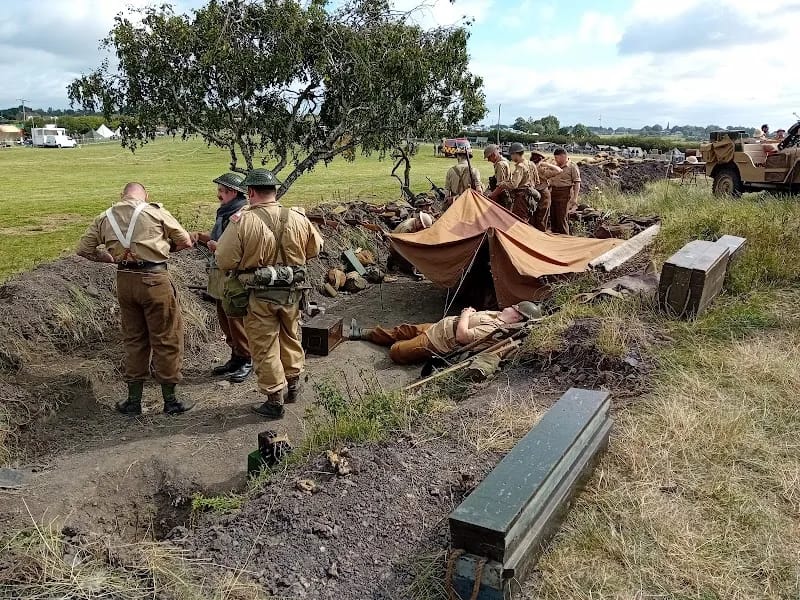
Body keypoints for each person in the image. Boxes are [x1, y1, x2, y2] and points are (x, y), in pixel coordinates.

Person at [76, 182, 194, 415]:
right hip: (154, 279)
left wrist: (108, 258)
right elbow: (185, 241)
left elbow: (83, 249)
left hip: (125, 280)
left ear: (122, 195)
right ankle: (170, 401)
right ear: (145, 195)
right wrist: (164, 248)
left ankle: (133, 401)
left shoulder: (105, 216)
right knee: (166, 337)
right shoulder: (154, 211)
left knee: (134, 339)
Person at [215, 169, 323, 419]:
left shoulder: (243, 221)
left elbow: (224, 259)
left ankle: (274, 399)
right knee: (291, 337)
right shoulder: (297, 217)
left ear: (250, 192)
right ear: (274, 191)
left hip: (259, 295)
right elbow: (315, 248)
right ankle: (293, 386)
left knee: (264, 346)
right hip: (292, 293)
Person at [190, 172, 253, 383]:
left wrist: (218, 248)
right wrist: (200, 237)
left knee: (236, 319)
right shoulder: (225, 212)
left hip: (233, 275)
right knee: (224, 318)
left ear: (233, 192)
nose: (218, 195)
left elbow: (241, 248)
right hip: (219, 273)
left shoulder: (241, 214)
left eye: (221, 191)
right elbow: (218, 239)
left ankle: (247, 359)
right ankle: (235, 356)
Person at [349, 302, 542, 365]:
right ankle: (362, 333)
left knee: (396, 351)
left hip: (438, 341)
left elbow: (463, 337)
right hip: (440, 326)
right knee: (402, 330)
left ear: (517, 318)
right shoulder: (497, 315)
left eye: (515, 308)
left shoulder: (494, 330)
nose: (511, 306)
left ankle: (398, 345)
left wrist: (465, 314)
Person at [502, 142, 541, 222]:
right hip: (531, 196)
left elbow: (514, 185)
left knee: (519, 221)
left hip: (521, 198)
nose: (511, 157)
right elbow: (537, 181)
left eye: (511, 155)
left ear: (516, 154)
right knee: (526, 219)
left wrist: (503, 184)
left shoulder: (520, 167)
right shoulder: (531, 164)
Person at [386, 212, 434, 276]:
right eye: (422, 227)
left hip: (402, 246)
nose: (422, 229)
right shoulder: (407, 229)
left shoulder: (414, 221)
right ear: (419, 222)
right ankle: (395, 261)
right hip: (398, 249)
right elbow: (404, 247)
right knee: (409, 268)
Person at [548, 148, 581, 234]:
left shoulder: (572, 166)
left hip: (564, 194)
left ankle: (565, 238)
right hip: (553, 192)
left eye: (557, 158)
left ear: (563, 156)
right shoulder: (556, 166)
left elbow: (577, 183)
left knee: (561, 218)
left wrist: (575, 198)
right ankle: (555, 237)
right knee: (553, 217)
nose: (555, 160)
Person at [529, 150, 562, 231]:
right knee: (542, 217)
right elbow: (559, 170)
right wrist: (546, 164)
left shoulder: (529, 167)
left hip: (532, 193)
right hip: (543, 193)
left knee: (533, 216)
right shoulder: (541, 170)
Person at [484, 144, 512, 208]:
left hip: (502, 197)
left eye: (489, 157)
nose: (488, 160)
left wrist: (490, 196)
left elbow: (500, 186)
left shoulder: (500, 165)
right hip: (504, 195)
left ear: (493, 155)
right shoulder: (504, 161)